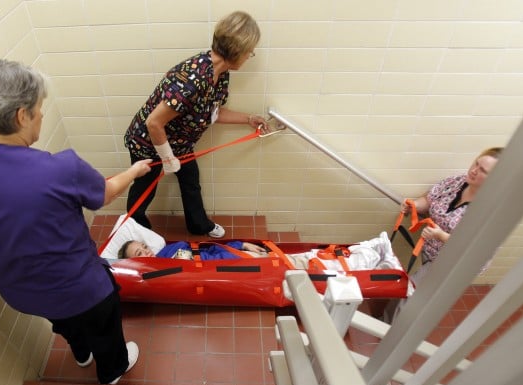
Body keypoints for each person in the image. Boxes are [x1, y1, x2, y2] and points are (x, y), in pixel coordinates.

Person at [0, 59, 152, 385]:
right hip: (86, 290)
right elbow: (104, 194)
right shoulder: (62, 168)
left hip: (23, 295)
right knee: (104, 326)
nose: (42, 114)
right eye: (40, 108)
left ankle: (81, 352)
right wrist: (134, 171)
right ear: (21, 115)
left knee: (65, 321)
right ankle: (113, 369)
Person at [124, 10, 270, 239]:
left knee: (190, 181)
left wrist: (248, 119)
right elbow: (154, 123)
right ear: (237, 50)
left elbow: (214, 111)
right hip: (148, 143)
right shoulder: (192, 80)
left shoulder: (220, 73)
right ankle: (134, 229)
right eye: (250, 51)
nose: (250, 55)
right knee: (145, 188)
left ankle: (198, 225)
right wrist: (167, 158)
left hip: (178, 142)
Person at [400, 147, 503, 285]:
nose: (473, 171)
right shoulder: (457, 181)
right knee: (418, 290)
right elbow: (430, 198)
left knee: (412, 291)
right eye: (476, 163)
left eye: (483, 171)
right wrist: (415, 205)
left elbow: (475, 247)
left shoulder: (493, 211)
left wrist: (441, 236)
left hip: (455, 264)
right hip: (431, 251)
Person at [116, 232, 401, 272]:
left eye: (141, 245)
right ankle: (370, 256)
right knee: (305, 264)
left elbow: (208, 247)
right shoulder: (156, 271)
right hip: (239, 269)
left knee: (304, 260)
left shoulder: (170, 247)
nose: (144, 249)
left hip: (238, 258)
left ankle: (368, 253)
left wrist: (242, 245)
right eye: (138, 252)